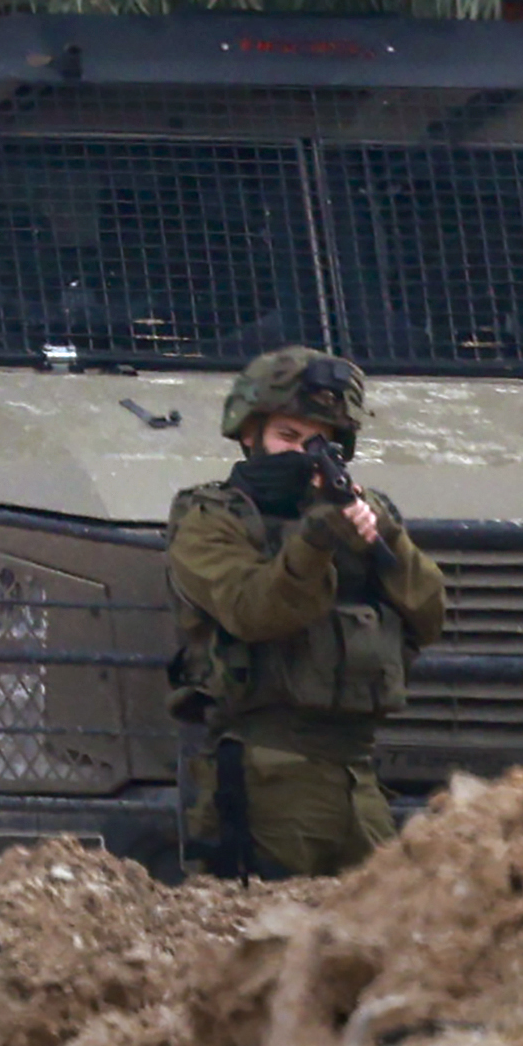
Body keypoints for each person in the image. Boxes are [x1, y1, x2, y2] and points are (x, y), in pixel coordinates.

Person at [164, 348, 451, 877]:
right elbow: (253, 610)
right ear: (249, 435)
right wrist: (315, 540)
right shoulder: (212, 518)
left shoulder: (355, 514)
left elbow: (429, 614)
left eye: (320, 443)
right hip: (266, 771)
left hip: (357, 773)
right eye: (288, 437)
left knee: (386, 914)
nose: (302, 455)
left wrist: (385, 537)